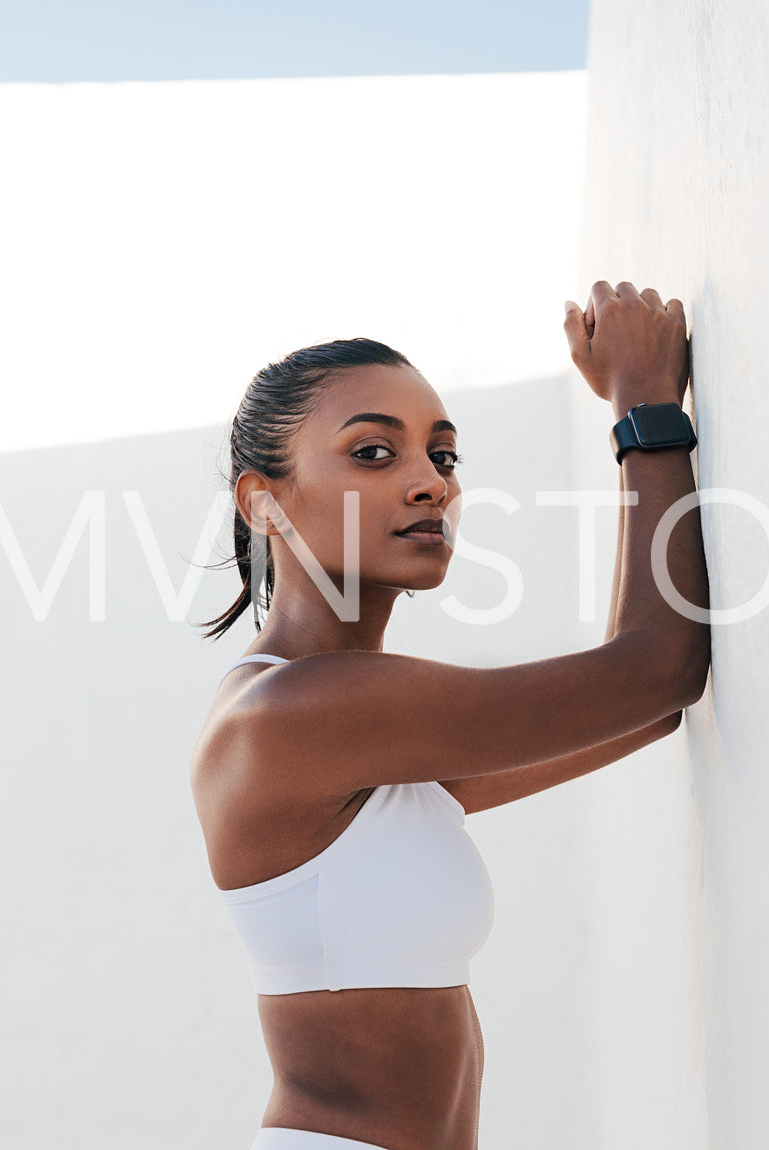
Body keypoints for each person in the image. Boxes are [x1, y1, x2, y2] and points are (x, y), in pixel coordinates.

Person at [190, 280, 712, 1150]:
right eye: (371, 454)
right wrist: (646, 408)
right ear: (262, 501)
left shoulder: (367, 739)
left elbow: (642, 709)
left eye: (443, 455)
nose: (429, 483)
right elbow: (654, 672)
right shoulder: (295, 711)